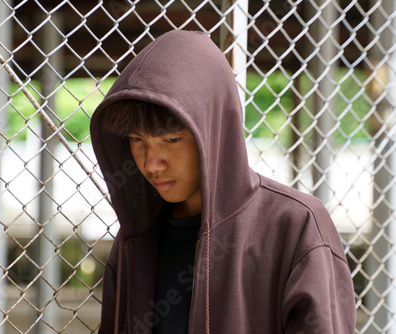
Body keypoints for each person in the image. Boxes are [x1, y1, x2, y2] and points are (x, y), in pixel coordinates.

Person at [90, 30, 356, 334]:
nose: (151, 162)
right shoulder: (135, 239)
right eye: (137, 139)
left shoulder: (295, 226)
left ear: (214, 129)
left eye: (172, 139)